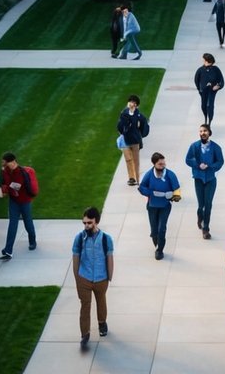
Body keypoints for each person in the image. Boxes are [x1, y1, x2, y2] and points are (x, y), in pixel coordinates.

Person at [72, 206, 115, 353]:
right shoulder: (79, 238)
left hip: (101, 278)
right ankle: (85, 335)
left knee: (101, 300)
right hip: (84, 277)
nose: (86, 226)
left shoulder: (106, 239)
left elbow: (109, 258)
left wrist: (109, 276)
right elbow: (75, 258)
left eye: (89, 223)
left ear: (96, 221)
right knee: (85, 306)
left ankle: (102, 322)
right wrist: (77, 278)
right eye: (84, 223)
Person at [139, 152, 181, 260]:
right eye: (160, 164)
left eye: (163, 164)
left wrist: (173, 196)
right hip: (152, 205)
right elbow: (141, 187)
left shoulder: (170, 174)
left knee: (161, 228)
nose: (163, 166)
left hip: (165, 206)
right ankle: (156, 243)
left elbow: (177, 189)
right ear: (154, 164)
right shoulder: (149, 174)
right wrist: (151, 193)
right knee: (154, 230)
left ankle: (159, 250)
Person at [185, 124, 224, 240]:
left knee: (208, 204)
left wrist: (210, 166)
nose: (203, 133)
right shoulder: (194, 146)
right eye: (201, 131)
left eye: (205, 131)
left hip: (210, 180)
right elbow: (188, 159)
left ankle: (206, 228)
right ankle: (199, 217)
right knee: (201, 205)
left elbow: (220, 161)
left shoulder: (216, 147)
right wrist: (197, 165)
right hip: (198, 178)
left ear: (209, 132)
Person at [0, 151, 37, 260]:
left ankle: (32, 240)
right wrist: (3, 186)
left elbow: (15, 187)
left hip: (25, 201)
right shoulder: (5, 171)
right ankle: (8, 250)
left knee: (28, 223)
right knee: (12, 225)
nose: (3, 164)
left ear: (12, 162)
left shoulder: (20, 172)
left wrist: (5, 190)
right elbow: (4, 182)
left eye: (5, 162)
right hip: (14, 202)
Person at [117, 95, 150, 186]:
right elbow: (120, 125)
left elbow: (144, 127)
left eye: (134, 103)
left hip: (135, 141)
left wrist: (140, 135)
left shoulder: (139, 116)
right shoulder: (124, 114)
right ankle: (131, 178)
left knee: (136, 160)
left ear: (136, 105)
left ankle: (138, 178)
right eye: (130, 102)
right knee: (128, 159)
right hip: (125, 140)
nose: (131, 104)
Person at [194, 53, 224, 128]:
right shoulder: (200, 70)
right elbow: (196, 80)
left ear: (207, 60)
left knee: (209, 105)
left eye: (204, 60)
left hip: (212, 91)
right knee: (203, 105)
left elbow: (222, 81)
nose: (203, 61)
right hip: (203, 91)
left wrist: (218, 86)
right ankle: (205, 117)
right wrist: (199, 89)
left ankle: (209, 121)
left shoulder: (216, 69)